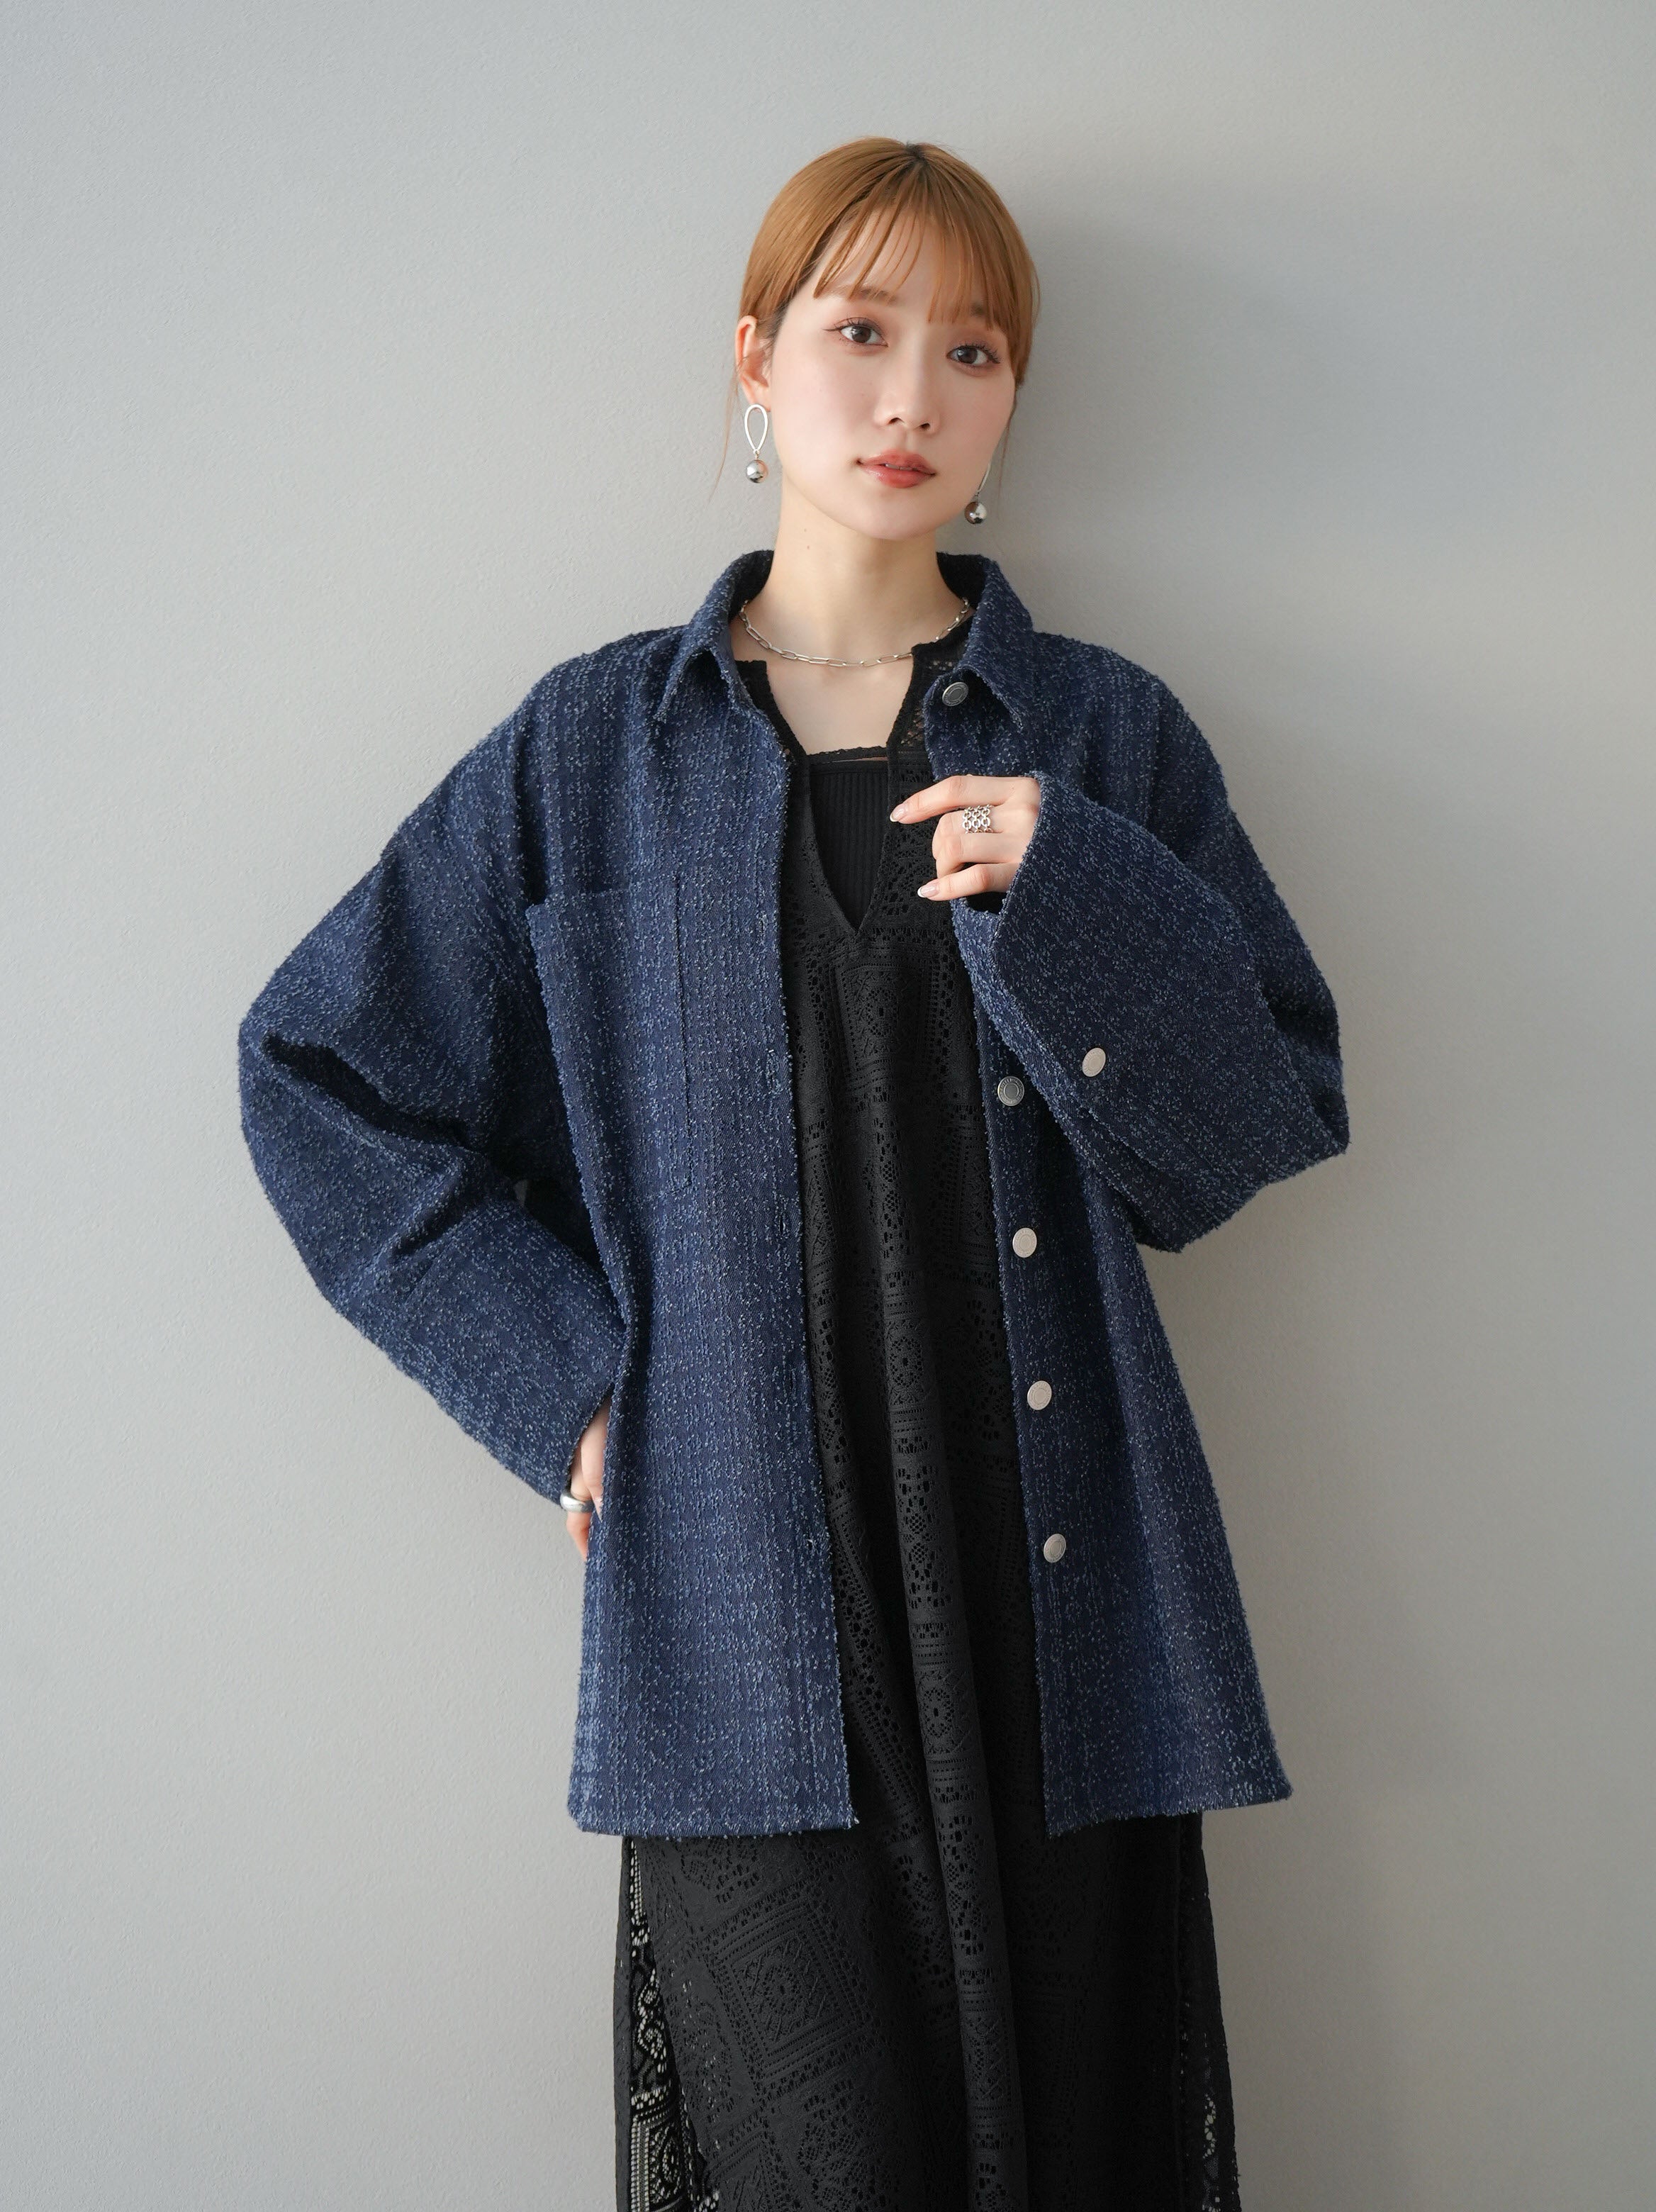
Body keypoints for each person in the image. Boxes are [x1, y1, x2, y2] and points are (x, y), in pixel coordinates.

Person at [238, 138, 1348, 2212]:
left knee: (1081, 2148)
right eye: (860, 332)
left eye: (973, 350)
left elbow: (1261, 1115)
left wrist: (1077, 890)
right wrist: (565, 1387)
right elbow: (318, 1068)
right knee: (810, 2158)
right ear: (755, 361)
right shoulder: (595, 750)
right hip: (739, 1600)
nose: (913, 395)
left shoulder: (1100, 736)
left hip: (1061, 1593)